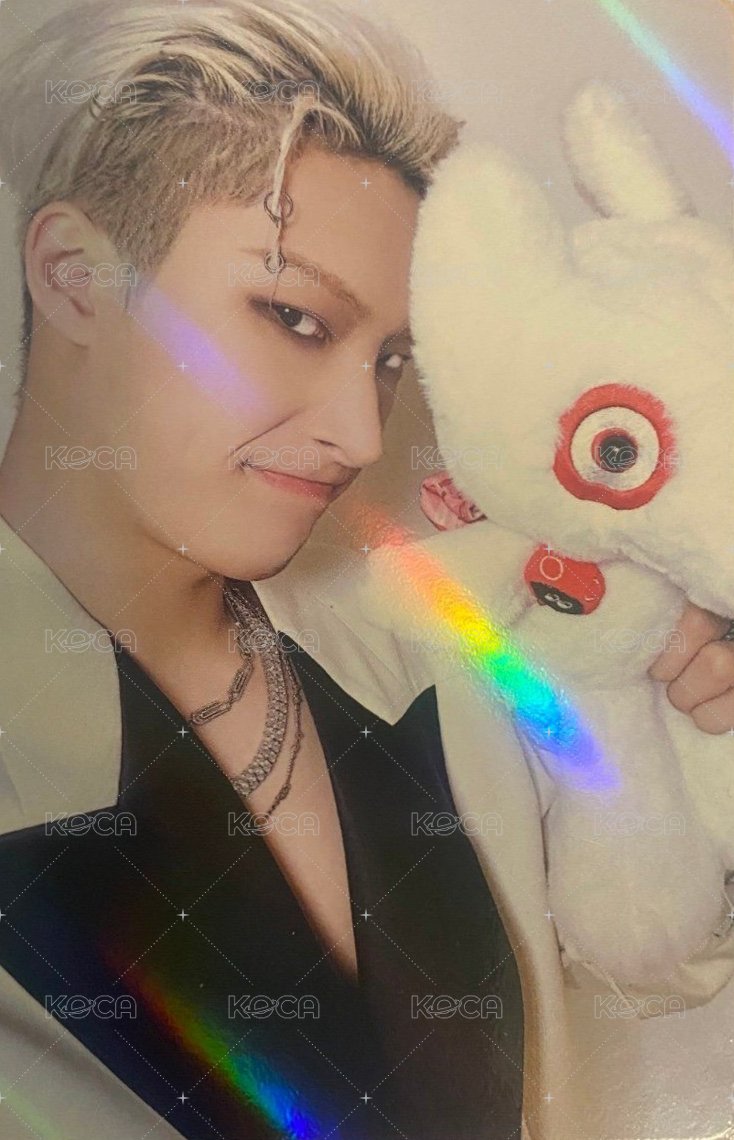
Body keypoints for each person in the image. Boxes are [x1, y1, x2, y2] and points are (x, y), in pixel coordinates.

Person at [0, 2, 732, 1138]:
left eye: (390, 360)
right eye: (294, 317)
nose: (358, 432)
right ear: (75, 276)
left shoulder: (437, 641)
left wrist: (690, 743)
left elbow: (648, 961)